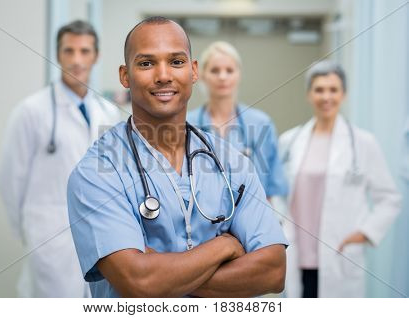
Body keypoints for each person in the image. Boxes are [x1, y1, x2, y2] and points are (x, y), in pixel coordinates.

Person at [67, 16, 288, 298]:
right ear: (125, 75)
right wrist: (225, 247)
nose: (163, 75)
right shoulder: (96, 172)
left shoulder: (232, 163)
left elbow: (273, 271)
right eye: (146, 63)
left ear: (193, 71)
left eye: (176, 62)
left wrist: (163, 271)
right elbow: (139, 283)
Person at [0, 20, 120, 297]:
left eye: (85, 51)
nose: (77, 60)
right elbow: (9, 181)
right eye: (69, 51)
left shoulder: (107, 112)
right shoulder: (31, 111)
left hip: (98, 235)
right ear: (58, 54)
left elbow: (111, 177)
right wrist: (33, 230)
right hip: (50, 236)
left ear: (96, 56)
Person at [278, 60, 401, 297]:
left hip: (340, 254)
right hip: (296, 253)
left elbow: (389, 198)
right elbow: (278, 195)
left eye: (333, 90)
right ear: (309, 94)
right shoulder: (289, 141)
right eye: (319, 89)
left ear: (343, 94)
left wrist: (365, 232)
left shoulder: (363, 143)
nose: (326, 97)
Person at [187, 41, 287, 200]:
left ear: (239, 74)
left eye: (229, 70)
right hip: (202, 218)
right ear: (202, 75)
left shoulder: (261, 123)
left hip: (252, 217)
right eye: (214, 70)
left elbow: (270, 189)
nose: (222, 77)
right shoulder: (187, 124)